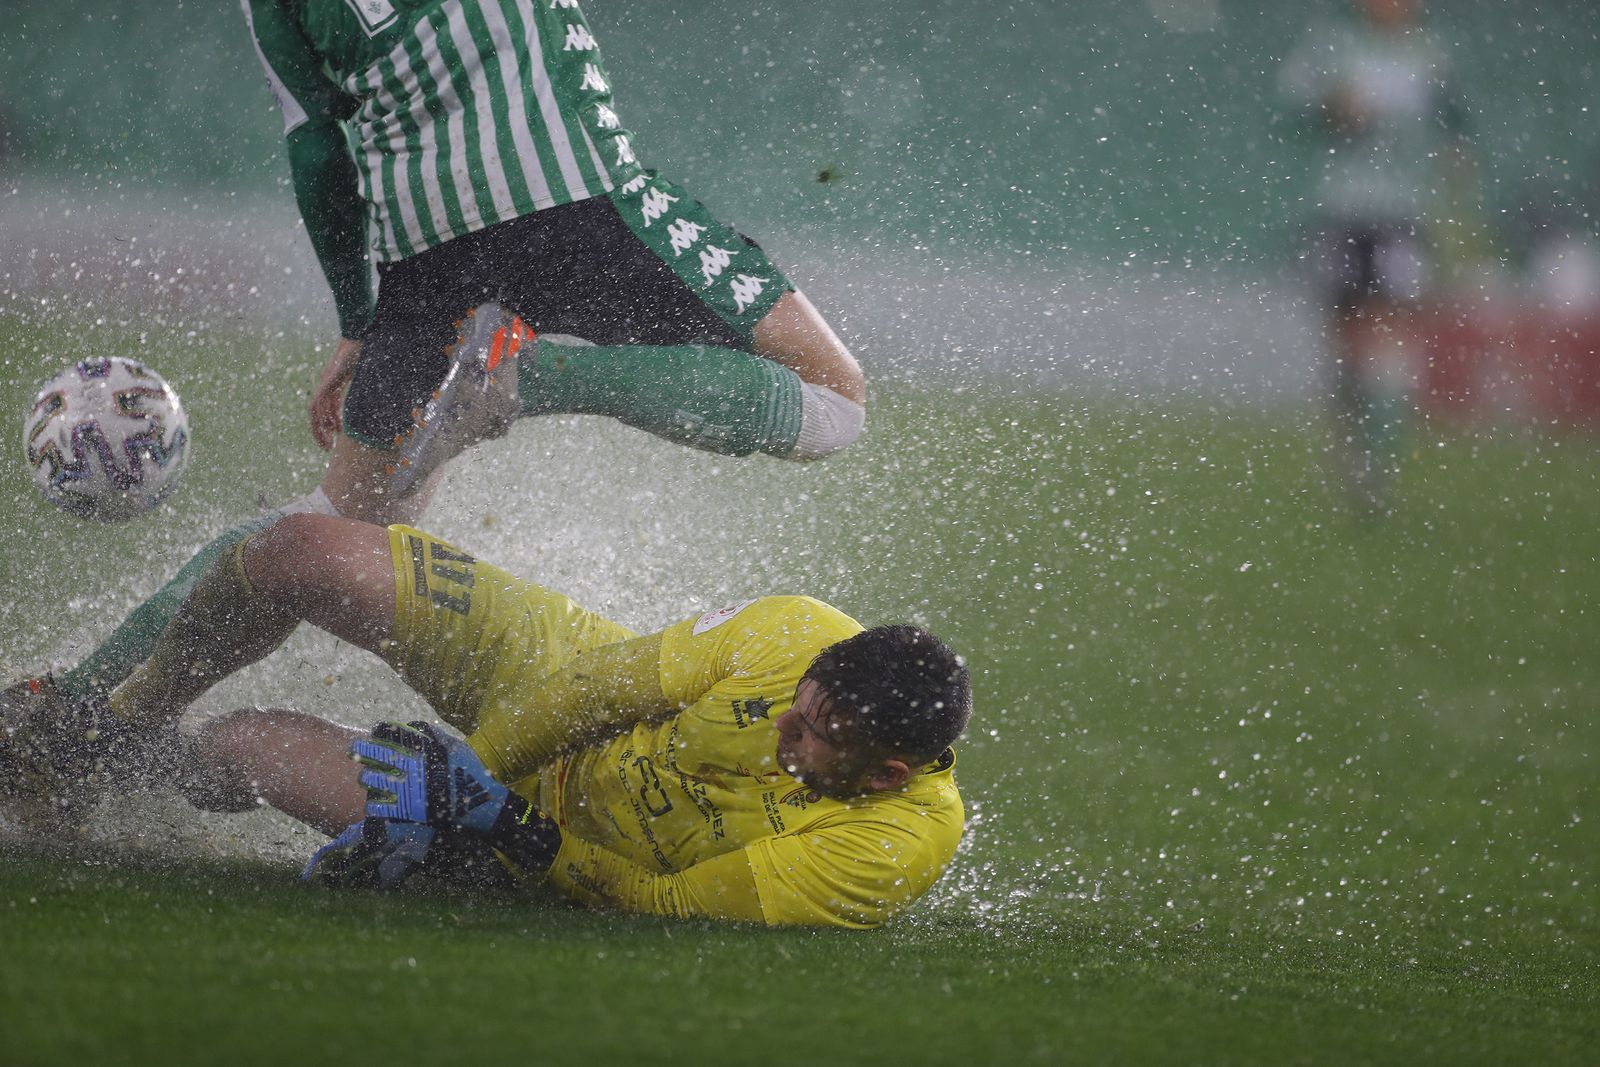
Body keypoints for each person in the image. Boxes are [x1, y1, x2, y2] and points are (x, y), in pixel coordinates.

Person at [4, 0, 865, 723]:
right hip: (578, 192)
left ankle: (83, 711)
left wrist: (363, 319)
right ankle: (534, 379)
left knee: (333, 528)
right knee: (835, 403)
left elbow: (318, 149)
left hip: (425, 249)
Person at [3, 514, 971, 929]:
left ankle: (158, 763)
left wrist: (503, 825)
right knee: (300, 553)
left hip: (546, 853)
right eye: (792, 714)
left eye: (811, 742)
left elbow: (665, 911)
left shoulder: (888, 846)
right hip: (551, 700)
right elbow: (603, 684)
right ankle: (107, 729)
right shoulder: (794, 634)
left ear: (885, 770)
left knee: (240, 745)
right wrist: (474, 764)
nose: (782, 738)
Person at [1278, 0, 1471, 512]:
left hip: (1401, 215)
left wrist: (1454, 170)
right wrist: (1335, 108)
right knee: (1343, 336)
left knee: (1389, 330)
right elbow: (1294, 108)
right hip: (1341, 210)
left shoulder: (1430, 52)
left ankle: (1379, 462)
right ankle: (1350, 454)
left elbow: (1454, 126)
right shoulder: (1333, 43)